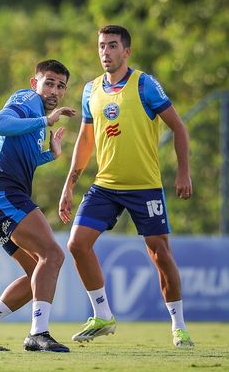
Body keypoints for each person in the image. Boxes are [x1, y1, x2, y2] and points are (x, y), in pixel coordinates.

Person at [59, 25, 194, 348]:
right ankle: (102, 314)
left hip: (145, 186)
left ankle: (179, 326)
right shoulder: (91, 89)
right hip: (105, 185)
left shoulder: (145, 85)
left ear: (126, 51)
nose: (105, 52)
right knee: (76, 244)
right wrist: (69, 186)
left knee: (160, 254)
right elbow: (86, 140)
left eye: (113, 46)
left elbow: (178, 127)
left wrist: (183, 173)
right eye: (102, 46)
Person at [0, 59, 75, 352]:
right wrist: (44, 121)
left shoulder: (35, 119)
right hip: (2, 193)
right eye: (48, 82)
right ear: (33, 83)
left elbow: (24, 156)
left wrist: (51, 154)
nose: (54, 90)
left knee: (37, 271)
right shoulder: (27, 101)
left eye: (60, 86)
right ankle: (39, 334)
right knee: (52, 254)